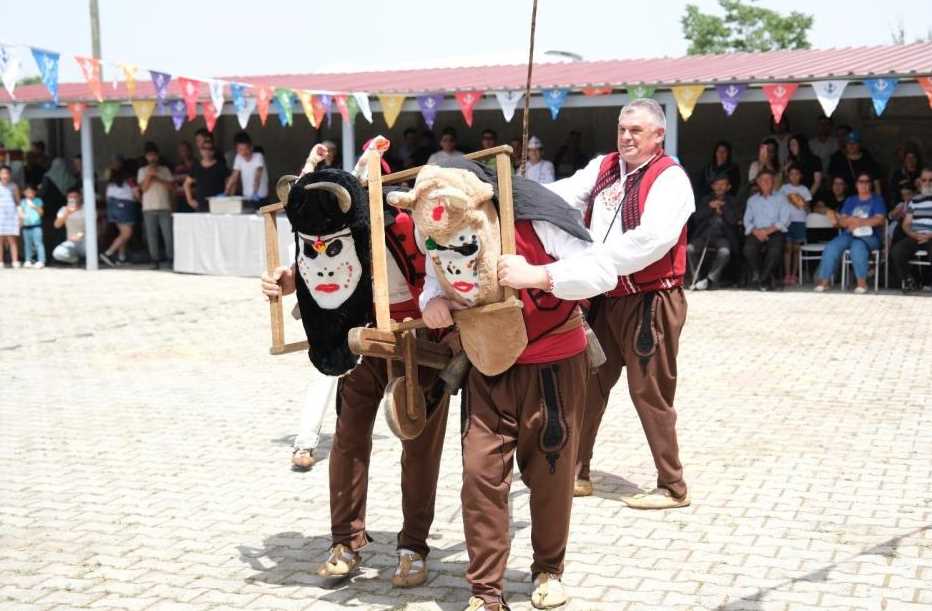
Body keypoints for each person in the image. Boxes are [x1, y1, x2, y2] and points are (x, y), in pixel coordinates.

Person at [412, 164, 616, 611]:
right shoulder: (439, 227)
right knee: (479, 474)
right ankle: (485, 592)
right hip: (487, 364)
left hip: (552, 365)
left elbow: (603, 272)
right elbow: (433, 280)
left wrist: (538, 275)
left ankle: (548, 569)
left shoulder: (535, 218)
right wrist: (434, 303)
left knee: (551, 473)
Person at [502, 98, 695, 513]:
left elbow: (651, 240)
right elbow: (562, 194)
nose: (626, 137)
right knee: (588, 383)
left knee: (649, 390)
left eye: (636, 131)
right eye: (623, 129)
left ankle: (673, 484)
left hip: (650, 297)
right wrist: (517, 193)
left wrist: (590, 264)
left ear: (658, 135)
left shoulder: (670, 178)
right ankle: (577, 471)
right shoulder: (604, 167)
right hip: (605, 296)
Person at [813, 171, 885, 294]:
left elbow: (879, 220)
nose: (864, 184)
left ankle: (862, 284)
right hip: (849, 234)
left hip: (870, 236)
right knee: (832, 246)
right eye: (861, 182)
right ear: (856, 184)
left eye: (867, 182)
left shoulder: (877, 200)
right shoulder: (851, 200)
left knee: (857, 246)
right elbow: (841, 221)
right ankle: (824, 283)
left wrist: (857, 221)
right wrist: (850, 221)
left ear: (871, 184)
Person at [743, 168, 791, 291]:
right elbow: (747, 220)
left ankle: (761, 278)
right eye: (762, 180)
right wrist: (756, 231)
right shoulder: (752, 200)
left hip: (775, 231)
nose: (765, 182)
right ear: (758, 182)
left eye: (768, 179)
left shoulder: (781, 198)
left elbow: (785, 219)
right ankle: (763, 277)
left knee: (775, 250)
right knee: (748, 249)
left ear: (773, 181)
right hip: (756, 232)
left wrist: (768, 231)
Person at [688, 173, 738, 290]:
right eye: (717, 184)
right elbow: (696, 218)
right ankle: (698, 278)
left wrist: (723, 209)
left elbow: (734, 221)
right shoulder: (705, 199)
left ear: (728, 187)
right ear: (712, 186)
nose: (720, 187)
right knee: (689, 249)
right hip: (704, 235)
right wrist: (710, 207)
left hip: (723, 237)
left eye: (723, 184)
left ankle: (710, 279)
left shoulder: (732, 201)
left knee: (724, 252)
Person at [890, 168, 932, 292]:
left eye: (931, 180)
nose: (927, 183)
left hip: (931, 238)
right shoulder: (915, 201)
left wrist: (929, 236)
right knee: (897, 250)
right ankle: (909, 280)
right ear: (920, 182)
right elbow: (906, 223)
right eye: (924, 180)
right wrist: (913, 234)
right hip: (915, 237)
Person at [137, 142, 175, 269]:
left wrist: (157, 178)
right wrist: (149, 175)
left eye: (154, 155)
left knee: (168, 235)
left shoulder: (165, 170)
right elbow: (144, 189)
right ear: (146, 157)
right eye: (149, 155)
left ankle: (171, 259)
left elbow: (171, 187)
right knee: (151, 236)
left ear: (157, 156)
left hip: (164, 207)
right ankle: (154, 260)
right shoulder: (142, 171)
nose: (152, 158)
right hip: (148, 208)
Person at [100, 159, 140, 267]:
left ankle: (121, 258)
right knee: (127, 233)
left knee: (122, 233)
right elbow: (136, 193)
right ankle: (108, 253)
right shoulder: (130, 179)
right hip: (124, 205)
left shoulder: (112, 180)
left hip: (112, 205)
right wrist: (141, 201)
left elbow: (107, 195)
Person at [779, 164, 813, 285]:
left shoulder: (804, 189)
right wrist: (789, 199)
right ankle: (787, 274)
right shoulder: (784, 188)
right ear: (788, 175)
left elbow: (808, 208)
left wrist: (799, 201)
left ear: (801, 176)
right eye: (791, 174)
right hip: (786, 221)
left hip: (800, 221)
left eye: (797, 174)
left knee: (796, 249)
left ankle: (794, 275)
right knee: (787, 248)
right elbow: (779, 203)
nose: (794, 176)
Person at [828, 130, 882, 196]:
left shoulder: (867, 159)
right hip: (844, 197)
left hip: (865, 195)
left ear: (859, 144)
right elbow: (832, 181)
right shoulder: (838, 159)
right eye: (849, 143)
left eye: (854, 143)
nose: (851, 145)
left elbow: (876, 182)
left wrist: (878, 199)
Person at [184, 140, 228, 211]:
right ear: (200, 151)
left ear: (213, 151)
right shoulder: (196, 166)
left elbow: (230, 182)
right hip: (201, 205)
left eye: (210, 149)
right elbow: (186, 184)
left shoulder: (221, 166)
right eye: (204, 149)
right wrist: (190, 200)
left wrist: (227, 197)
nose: (207, 152)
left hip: (218, 205)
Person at [225, 132, 269, 204]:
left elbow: (257, 176)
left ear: (251, 147)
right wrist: (226, 192)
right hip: (247, 197)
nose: (244, 152)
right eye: (240, 149)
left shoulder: (258, 156)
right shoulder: (238, 157)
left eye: (246, 149)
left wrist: (255, 192)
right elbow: (234, 176)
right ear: (236, 149)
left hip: (260, 197)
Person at [52, 187, 86, 264]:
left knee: (91, 250)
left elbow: (93, 227)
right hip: (71, 242)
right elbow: (57, 225)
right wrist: (67, 213)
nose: (73, 199)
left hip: (86, 241)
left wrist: (80, 234)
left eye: (75, 197)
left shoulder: (86, 208)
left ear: (80, 197)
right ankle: (76, 260)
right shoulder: (64, 209)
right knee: (57, 253)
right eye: (70, 197)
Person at [18, 183, 45, 268]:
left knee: (38, 243)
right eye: (27, 192)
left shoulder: (38, 200)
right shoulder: (22, 202)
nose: (30, 194)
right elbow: (21, 213)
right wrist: (20, 221)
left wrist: (34, 207)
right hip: (26, 226)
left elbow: (41, 213)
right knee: (27, 244)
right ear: (24, 193)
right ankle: (28, 260)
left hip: (37, 226)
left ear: (35, 192)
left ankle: (41, 260)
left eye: (31, 192)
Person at [0, 165, 21, 267]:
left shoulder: (14, 186)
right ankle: (0, 262)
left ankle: (15, 260)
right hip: (0, 214)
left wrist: (19, 213)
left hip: (11, 214)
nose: (5, 175)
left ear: (10, 175)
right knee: (0, 238)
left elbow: (18, 201)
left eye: (7, 173)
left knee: (12, 238)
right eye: (3, 173)